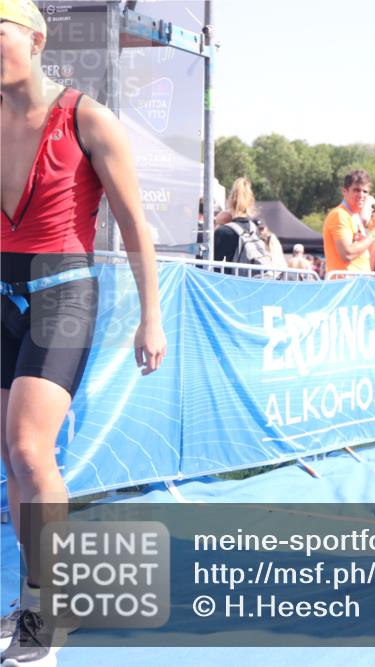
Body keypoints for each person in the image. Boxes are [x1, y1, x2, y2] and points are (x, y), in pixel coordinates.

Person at [1, 6, 167, 664]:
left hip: (61, 291)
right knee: (13, 458)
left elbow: (134, 227)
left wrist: (151, 316)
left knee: (28, 446)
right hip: (2, 294)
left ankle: (48, 608)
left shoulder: (87, 117)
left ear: (36, 39)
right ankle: (32, 597)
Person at [322, 169, 375, 277]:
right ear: (344, 191)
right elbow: (347, 254)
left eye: (365, 191)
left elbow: (363, 253)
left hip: (358, 286)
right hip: (345, 287)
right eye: (356, 190)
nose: (361, 195)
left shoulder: (355, 216)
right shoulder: (339, 215)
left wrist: (372, 232)